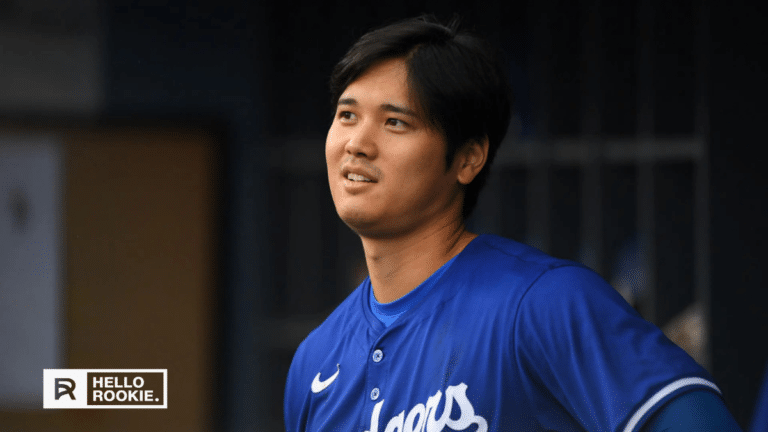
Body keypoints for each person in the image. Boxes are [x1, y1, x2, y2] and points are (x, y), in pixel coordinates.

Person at [284, 15, 742, 432]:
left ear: (468, 157)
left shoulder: (546, 304)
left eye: (395, 122)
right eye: (347, 115)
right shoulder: (315, 361)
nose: (357, 143)